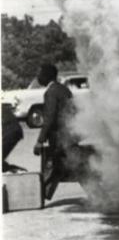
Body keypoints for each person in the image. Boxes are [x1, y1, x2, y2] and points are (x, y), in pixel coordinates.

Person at [33, 64, 73, 201]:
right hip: (70, 134)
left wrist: (40, 140)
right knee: (66, 164)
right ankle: (43, 194)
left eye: (39, 74)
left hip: (59, 136)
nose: (37, 77)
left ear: (47, 75)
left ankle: (38, 196)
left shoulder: (51, 92)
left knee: (53, 164)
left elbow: (49, 118)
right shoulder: (64, 89)